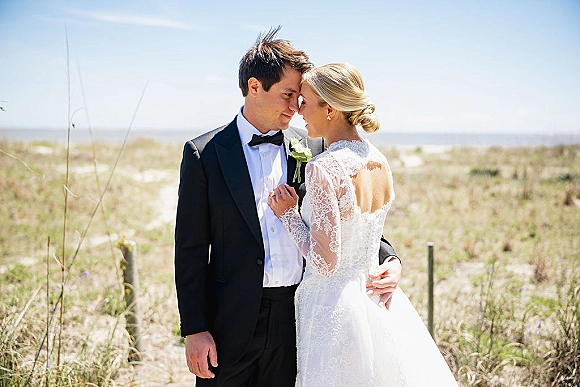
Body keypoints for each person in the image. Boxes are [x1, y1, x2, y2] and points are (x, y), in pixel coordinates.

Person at [174, 29, 402, 387]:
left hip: (301, 320)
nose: (296, 107)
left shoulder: (314, 147)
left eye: (300, 97)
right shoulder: (205, 154)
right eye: (288, 95)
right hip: (230, 322)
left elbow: (350, 216)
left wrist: (391, 259)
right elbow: (189, 249)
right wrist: (195, 329)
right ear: (254, 87)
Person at [268, 62, 459, 386]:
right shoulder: (377, 159)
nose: (300, 111)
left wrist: (288, 214)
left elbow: (325, 263)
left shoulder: (324, 168)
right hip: (374, 297)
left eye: (305, 102)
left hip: (333, 307)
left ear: (329, 109)